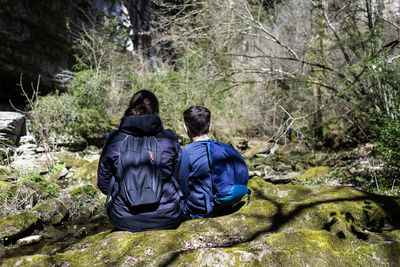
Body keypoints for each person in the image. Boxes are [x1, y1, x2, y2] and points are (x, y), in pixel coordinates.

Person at [97, 90, 183, 232]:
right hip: (168, 216)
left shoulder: (114, 140)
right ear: (156, 111)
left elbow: (103, 183)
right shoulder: (168, 138)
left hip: (123, 218)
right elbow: (178, 178)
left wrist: (125, 192)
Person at [179, 106, 249, 219]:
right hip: (227, 205)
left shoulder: (185, 153)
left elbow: (182, 188)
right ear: (210, 127)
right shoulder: (227, 149)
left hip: (200, 212)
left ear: (186, 128)